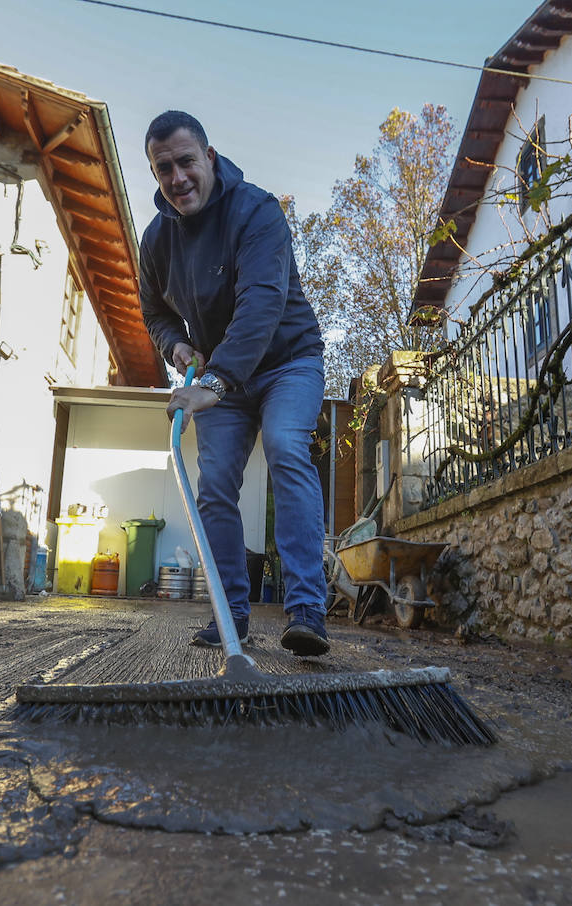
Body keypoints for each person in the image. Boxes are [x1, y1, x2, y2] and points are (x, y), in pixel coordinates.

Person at [138, 110, 330, 657]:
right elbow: (154, 310)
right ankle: (232, 617)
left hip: (288, 361)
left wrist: (213, 384)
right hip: (220, 371)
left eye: (185, 162)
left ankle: (306, 610)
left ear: (211, 158)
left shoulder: (257, 212)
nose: (177, 179)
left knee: (286, 446)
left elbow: (261, 305)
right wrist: (174, 343)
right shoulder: (157, 242)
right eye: (163, 169)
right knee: (215, 481)